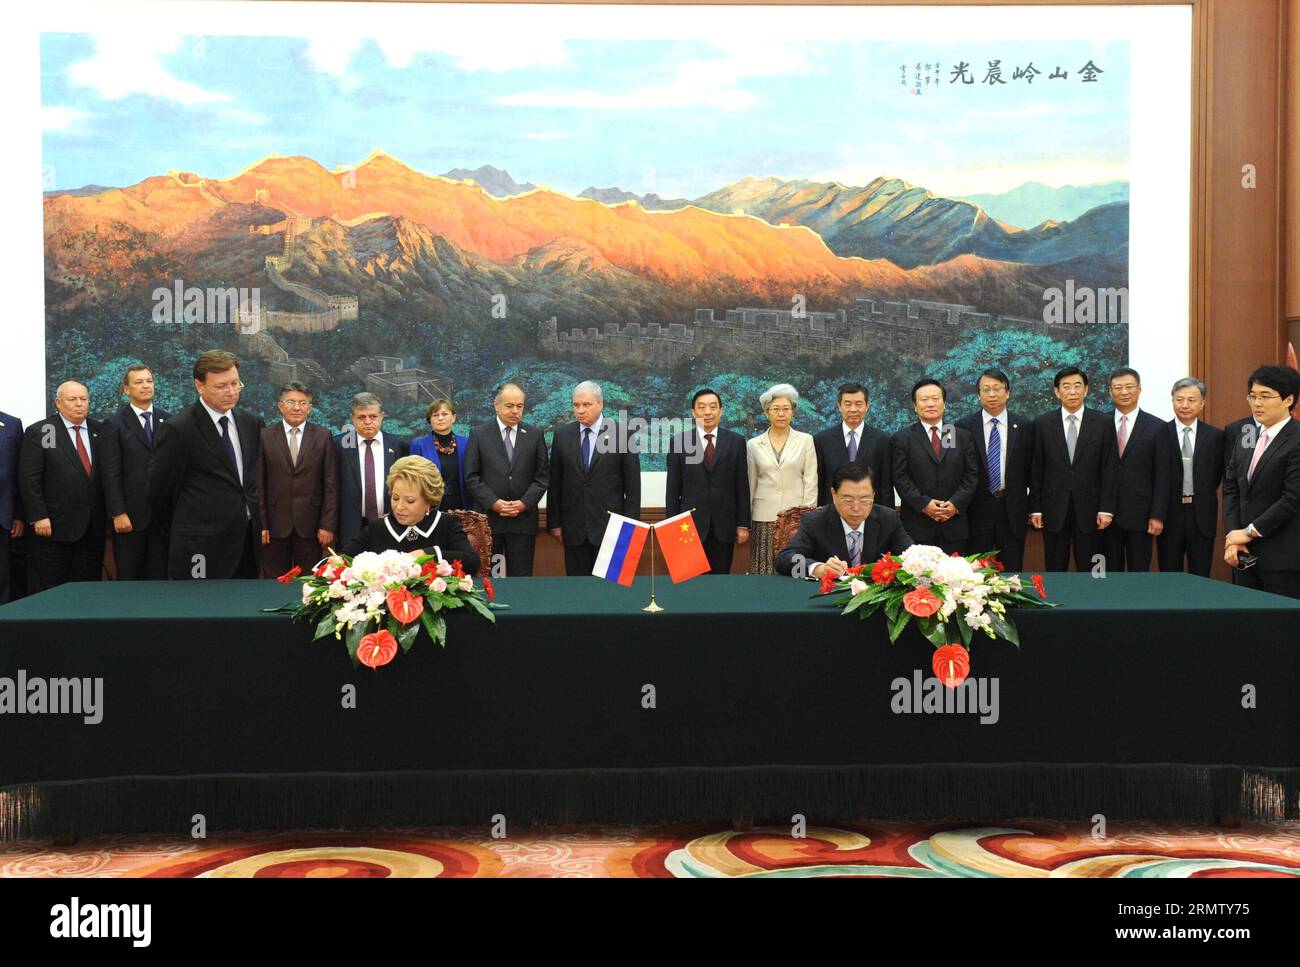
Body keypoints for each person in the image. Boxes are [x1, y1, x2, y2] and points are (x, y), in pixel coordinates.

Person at [149, 351, 261, 580]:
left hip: (245, 542)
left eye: (235, 383)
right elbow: (159, 492)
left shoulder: (251, 423)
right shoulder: (179, 429)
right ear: (200, 386)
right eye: (221, 386)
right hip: (199, 547)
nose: (231, 392)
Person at [548, 381, 641, 576]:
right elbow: (555, 483)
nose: (580, 410)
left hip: (612, 528)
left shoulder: (623, 434)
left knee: (611, 592)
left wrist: (630, 528)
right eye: (576, 405)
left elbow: (633, 487)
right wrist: (554, 523)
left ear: (601, 405)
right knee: (578, 593)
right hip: (573, 529)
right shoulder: (562, 435)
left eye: (586, 405)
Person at [1029, 366, 1118, 571]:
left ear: (1086, 390)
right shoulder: (1042, 423)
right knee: (1055, 565)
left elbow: (1109, 468)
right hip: (1053, 508)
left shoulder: (1103, 423)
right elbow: (1036, 469)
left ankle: (1093, 602)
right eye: (1066, 386)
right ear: (1057, 391)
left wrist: (1106, 509)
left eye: (1078, 386)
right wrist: (1036, 508)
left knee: (1093, 567)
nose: (1072, 391)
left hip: (1092, 510)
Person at [18, 381, 105, 590]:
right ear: (58, 402)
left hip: (92, 528)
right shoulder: (45, 431)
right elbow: (30, 478)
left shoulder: (99, 430)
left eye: (83, 399)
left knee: (87, 589)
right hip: (53, 528)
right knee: (51, 588)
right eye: (72, 399)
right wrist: (39, 515)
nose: (79, 404)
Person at [1223, 365, 1300, 598]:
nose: (1257, 403)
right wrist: (1234, 537)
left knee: (1283, 630)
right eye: (1253, 396)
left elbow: (1292, 499)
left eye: (1265, 396)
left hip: (1284, 560)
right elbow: (1232, 488)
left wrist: (1249, 531)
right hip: (1244, 556)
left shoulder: (1296, 439)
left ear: (1288, 400)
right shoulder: (1247, 436)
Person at [463, 383, 549, 576]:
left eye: (520, 406)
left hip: (522, 522)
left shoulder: (535, 435)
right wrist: (493, 503)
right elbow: (471, 476)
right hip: (488, 523)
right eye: (510, 406)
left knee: (521, 579)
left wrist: (523, 503)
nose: (515, 411)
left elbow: (542, 477)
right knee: (489, 578)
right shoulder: (479, 434)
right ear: (496, 405)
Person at [341, 455, 481, 573]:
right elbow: (343, 558)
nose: (399, 507)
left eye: (410, 501)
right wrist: (336, 563)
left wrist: (426, 555)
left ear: (428, 500)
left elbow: (472, 562)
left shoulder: (446, 523)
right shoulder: (378, 528)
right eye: (395, 498)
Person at [664, 388, 750, 574]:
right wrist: (671, 526)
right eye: (701, 407)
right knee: (691, 581)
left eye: (713, 407)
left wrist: (743, 524)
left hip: (724, 525)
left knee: (720, 580)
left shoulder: (736, 442)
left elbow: (742, 485)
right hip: (689, 526)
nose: (707, 412)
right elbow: (672, 488)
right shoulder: (679, 441)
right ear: (693, 412)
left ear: (721, 411)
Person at [955, 369, 1033, 571]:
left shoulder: (1025, 426)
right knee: (976, 572)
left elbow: (1033, 470)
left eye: (997, 389)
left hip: (1013, 509)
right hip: (976, 510)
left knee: (1012, 570)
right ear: (978, 394)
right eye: (986, 389)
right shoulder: (962, 427)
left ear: (1008, 392)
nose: (992, 394)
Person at [776, 464, 913, 579]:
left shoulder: (888, 519)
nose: (856, 508)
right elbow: (784, 560)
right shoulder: (815, 521)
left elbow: (912, 556)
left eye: (864, 500)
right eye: (848, 500)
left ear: (874, 495)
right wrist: (818, 568)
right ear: (834, 494)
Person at [257, 382, 338, 576]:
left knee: (310, 580)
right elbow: (259, 483)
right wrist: (263, 524)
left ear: (309, 408)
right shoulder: (265, 436)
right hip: (275, 525)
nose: (296, 407)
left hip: (311, 525)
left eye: (302, 403)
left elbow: (330, 484)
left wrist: (327, 525)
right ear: (280, 405)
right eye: (291, 402)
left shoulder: (322, 436)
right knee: (273, 580)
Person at [891, 377, 978, 555]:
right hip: (918, 525)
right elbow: (900, 478)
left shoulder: (956, 435)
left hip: (954, 525)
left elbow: (971, 476)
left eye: (935, 399)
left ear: (944, 403)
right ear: (915, 406)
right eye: (924, 400)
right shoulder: (903, 438)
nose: (930, 404)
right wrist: (924, 504)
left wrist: (954, 504)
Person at [98, 364, 170, 580]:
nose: (146, 386)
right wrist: (118, 513)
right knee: (130, 579)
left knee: (161, 579)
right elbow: (110, 473)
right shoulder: (113, 423)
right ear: (127, 389)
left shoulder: (168, 420)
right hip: (129, 518)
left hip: (162, 517)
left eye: (149, 381)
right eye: (138, 382)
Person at [1103, 367, 1170, 572]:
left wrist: (1157, 514)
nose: (1124, 392)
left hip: (1141, 515)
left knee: (1139, 573)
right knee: (1107, 575)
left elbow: (1162, 475)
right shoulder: (1099, 423)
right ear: (1110, 391)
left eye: (1129, 387)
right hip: (1105, 515)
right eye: (1118, 387)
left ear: (1139, 389)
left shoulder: (1158, 427)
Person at [747, 383, 818, 574]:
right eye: (775, 409)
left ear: (793, 412)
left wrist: (805, 516)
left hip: (795, 519)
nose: (781, 413)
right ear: (766, 412)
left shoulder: (805, 440)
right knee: (763, 569)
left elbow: (810, 481)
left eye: (786, 409)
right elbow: (751, 484)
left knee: (793, 569)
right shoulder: (753, 444)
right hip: (764, 517)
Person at [1157, 377, 1224, 577]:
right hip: (1169, 514)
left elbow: (1218, 474)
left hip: (1202, 513)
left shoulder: (1216, 436)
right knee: (1169, 574)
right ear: (1172, 401)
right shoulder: (1160, 433)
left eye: (1191, 400)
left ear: (1202, 402)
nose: (1185, 405)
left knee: (1201, 573)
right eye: (1179, 399)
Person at [335, 392, 408, 550]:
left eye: (373, 416)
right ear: (352, 418)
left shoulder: (398, 445)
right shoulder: (338, 445)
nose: (368, 422)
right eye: (361, 417)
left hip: (391, 525)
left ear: (382, 416)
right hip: (349, 527)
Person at [813, 382, 892, 507]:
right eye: (847, 404)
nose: (853, 409)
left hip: (870, 512)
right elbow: (820, 483)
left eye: (859, 404)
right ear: (839, 406)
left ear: (867, 405)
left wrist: (887, 517)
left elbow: (886, 485)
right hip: (832, 512)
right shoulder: (822, 440)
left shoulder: (883, 440)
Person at [409, 398, 471, 510]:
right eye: (435, 415)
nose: (440, 418)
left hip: (463, 506)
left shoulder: (466, 443)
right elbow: (414, 481)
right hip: (431, 507)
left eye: (445, 414)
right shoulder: (418, 445)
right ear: (430, 420)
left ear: (453, 418)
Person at [0, 407, 24, 602]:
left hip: (3, 515)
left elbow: (19, 474)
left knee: (3, 575)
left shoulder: (12, 424)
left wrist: (18, 514)